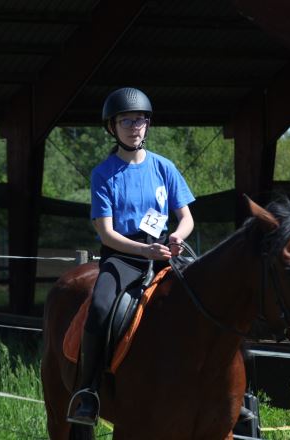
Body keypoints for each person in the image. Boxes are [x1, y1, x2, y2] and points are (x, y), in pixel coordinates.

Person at [67, 87, 195, 425]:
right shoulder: (103, 173)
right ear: (113, 127)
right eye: (126, 121)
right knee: (100, 308)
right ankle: (88, 391)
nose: (134, 127)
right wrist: (143, 250)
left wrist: (178, 237)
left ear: (147, 124)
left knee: (212, 294)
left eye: (139, 120)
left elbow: (186, 217)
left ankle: (233, 391)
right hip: (122, 256)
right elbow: (106, 233)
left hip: (165, 250)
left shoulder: (164, 167)